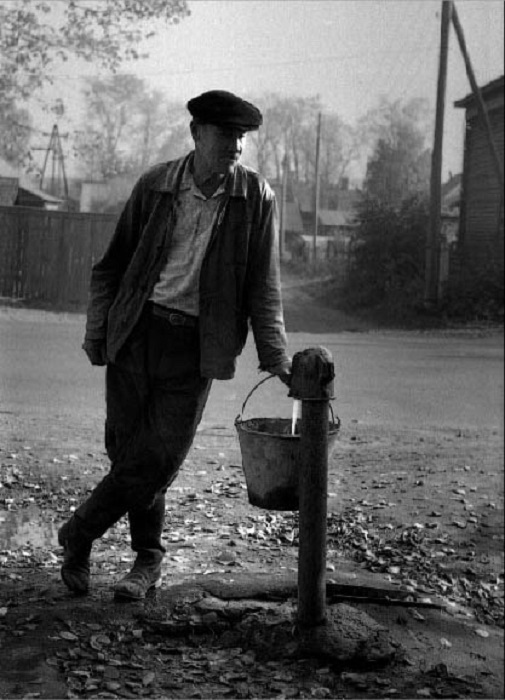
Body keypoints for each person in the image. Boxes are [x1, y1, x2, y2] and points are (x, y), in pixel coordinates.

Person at [58, 90, 292, 600]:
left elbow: (263, 288)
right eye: (225, 134)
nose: (235, 146)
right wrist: (98, 332)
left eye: (241, 137)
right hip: (136, 332)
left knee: (158, 456)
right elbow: (111, 267)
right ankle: (146, 560)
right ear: (197, 134)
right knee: (127, 450)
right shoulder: (157, 185)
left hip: (195, 346)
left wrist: (276, 358)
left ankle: (80, 535)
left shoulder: (256, 198)